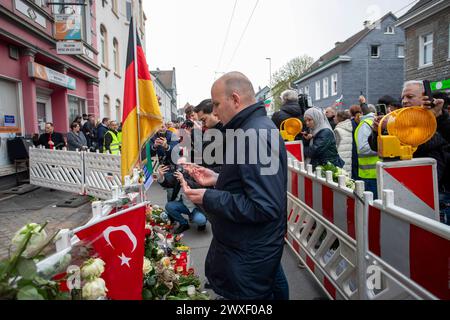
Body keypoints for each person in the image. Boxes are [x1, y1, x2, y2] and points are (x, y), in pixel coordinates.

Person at [179, 71, 289, 300]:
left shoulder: (255, 134)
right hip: (247, 251)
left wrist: (209, 197)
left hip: (247, 256)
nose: (215, 110)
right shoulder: (250, 129)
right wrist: (216, 178)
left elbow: (265, 206)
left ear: (236, 99)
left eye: (217, 104)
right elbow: (253, 184)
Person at [157, 165, 207, 234]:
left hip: (195, 207)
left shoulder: (198, 175)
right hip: (183, 204)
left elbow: (198, 186)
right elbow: (168, 183)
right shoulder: (181, 173)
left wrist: (183, 180)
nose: (185, 168)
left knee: (201, 220)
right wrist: (161, 176)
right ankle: (184, 223)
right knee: (169, 206)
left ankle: (200, 220)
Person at [354, 99, 379, 198]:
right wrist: (382, 149)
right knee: (372, 206)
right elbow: (363, 148)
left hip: (375, 173)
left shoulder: (370, 123)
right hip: (369, 175)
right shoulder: (366, 124)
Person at [194, 99, 224, 172]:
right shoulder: (210, 132)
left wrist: (204, 170)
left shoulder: (226, 132)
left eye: (204, 120)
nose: (203, 124)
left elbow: (227, 168)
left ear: (214, 113)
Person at [349, 105, 362, 180]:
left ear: (351, 113)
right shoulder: (363, 121)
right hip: (362, 150)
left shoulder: (351, 124)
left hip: (354, 151)